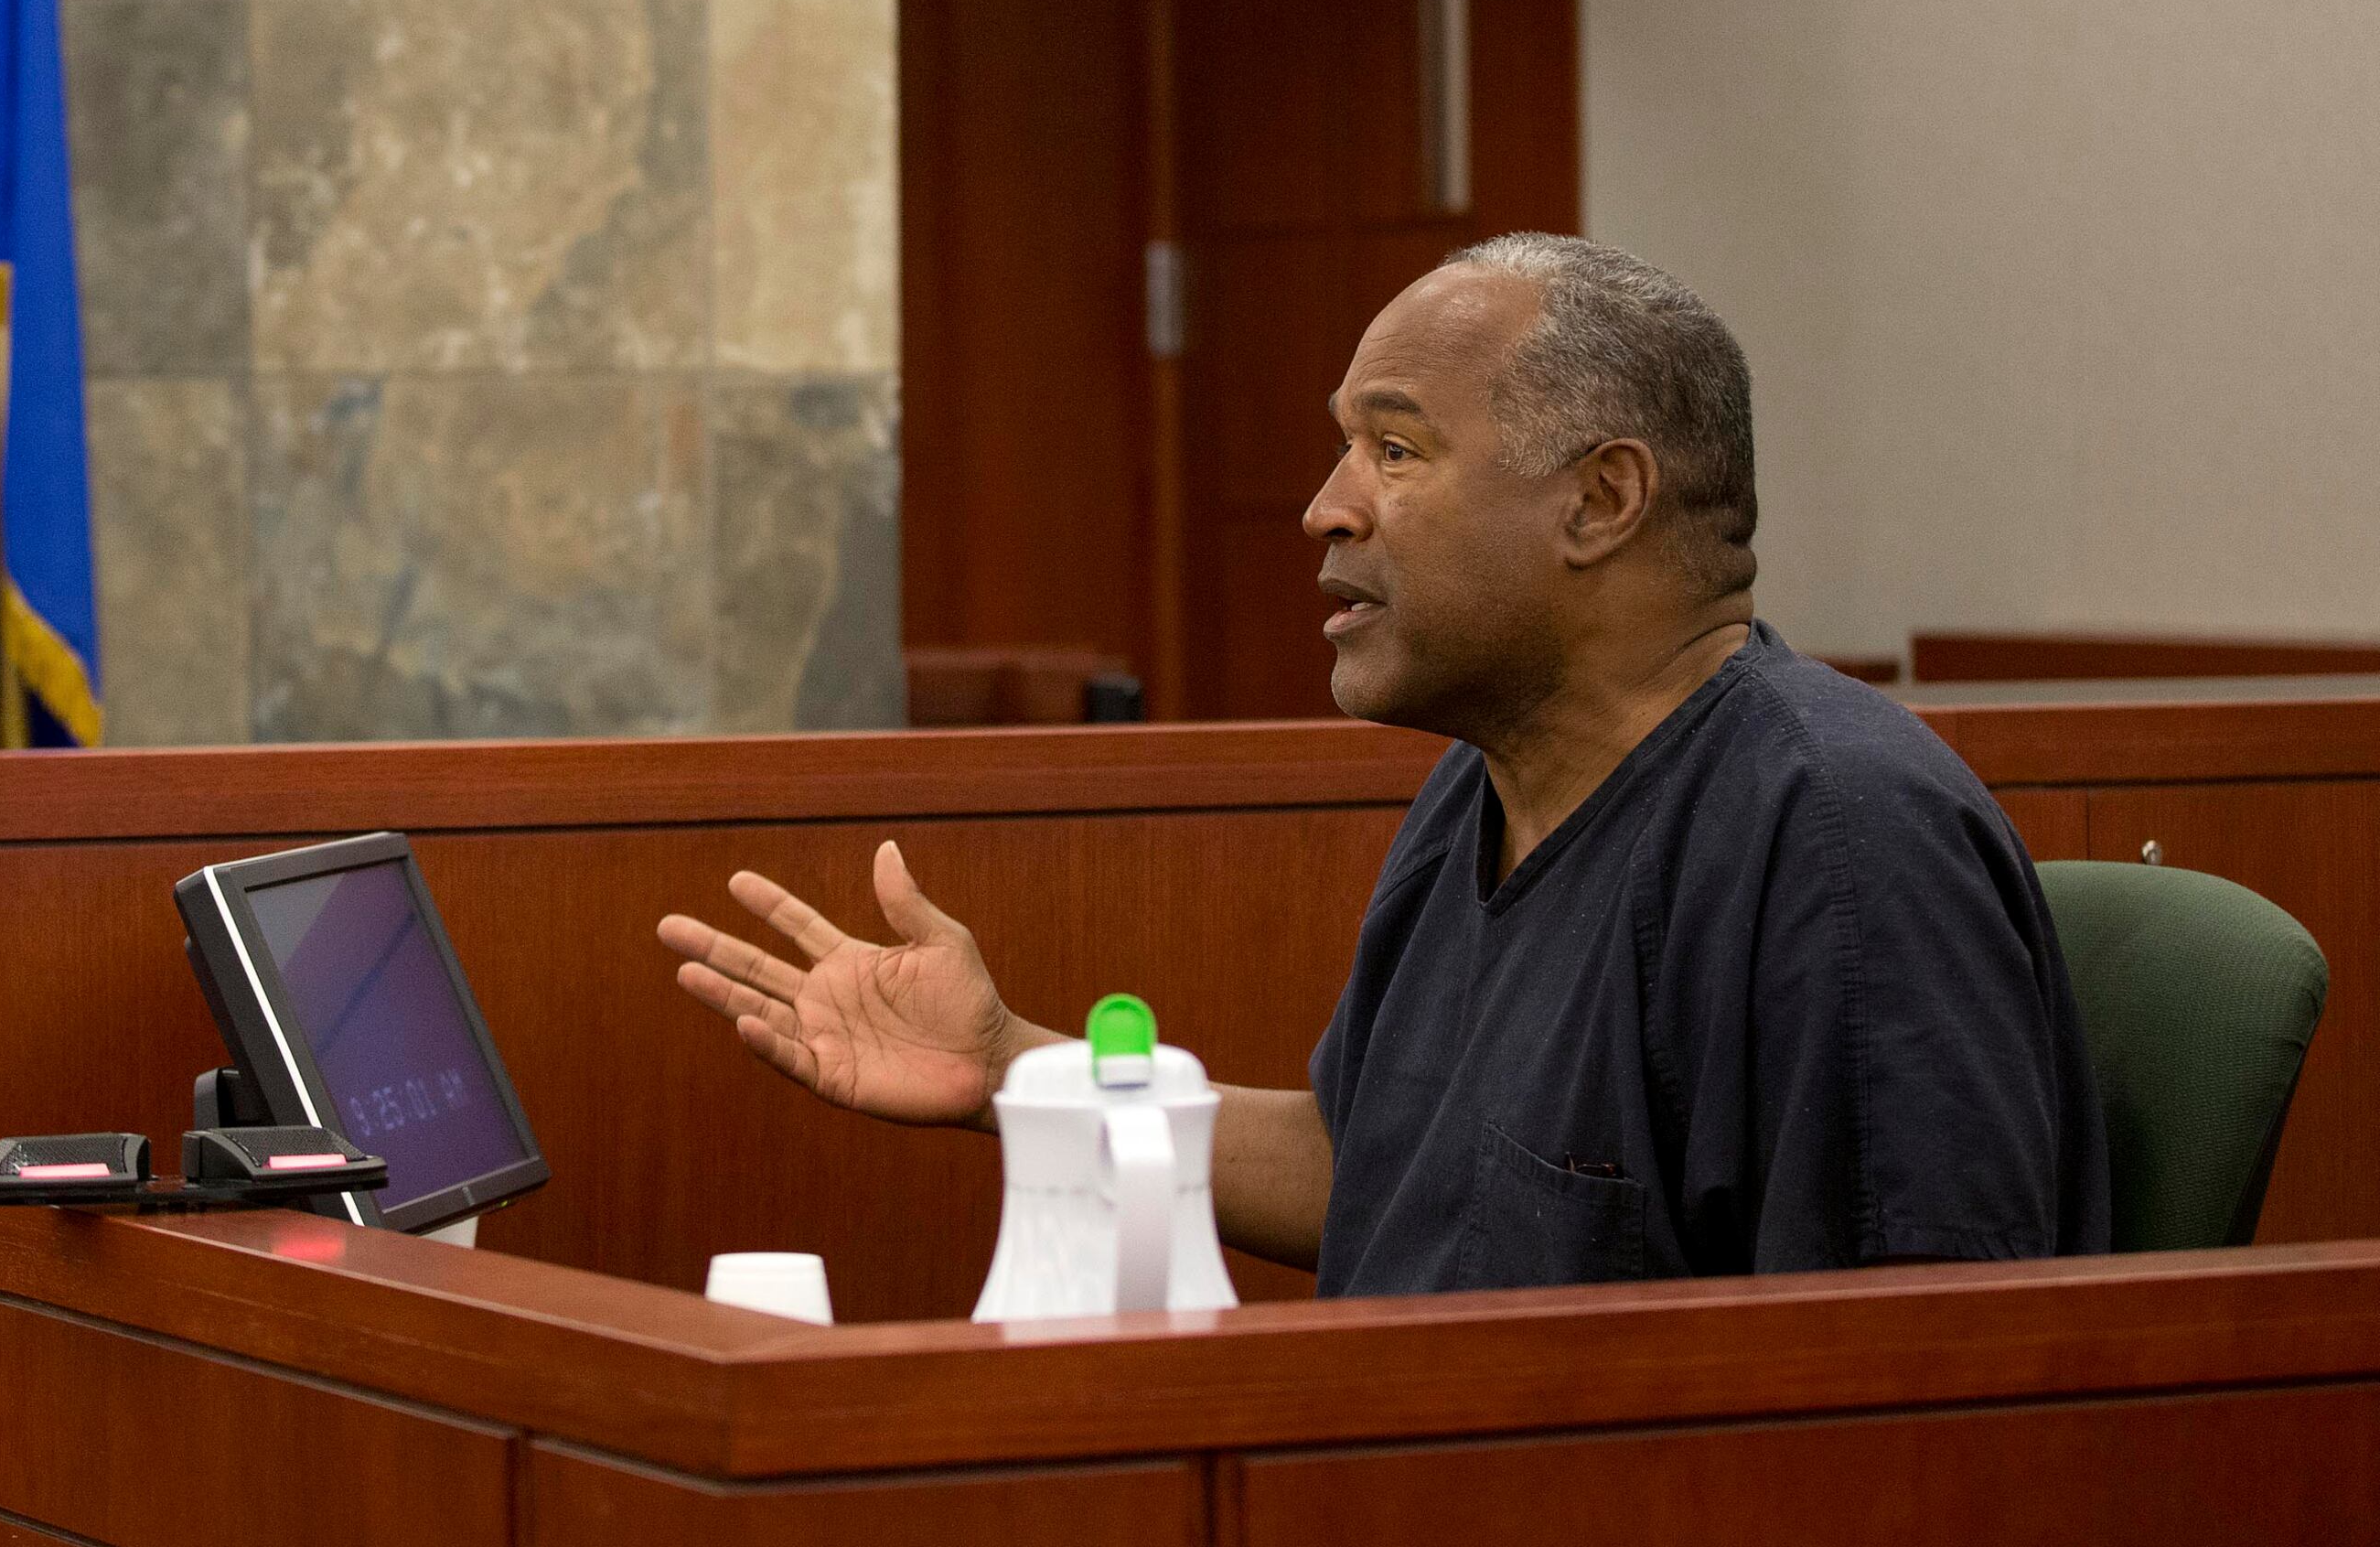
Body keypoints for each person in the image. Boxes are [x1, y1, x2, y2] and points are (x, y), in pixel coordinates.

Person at [660, 234, 2107, 1294]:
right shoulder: (1482, 789)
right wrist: (1008, 1066)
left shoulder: (1838, 840)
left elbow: (1924, 1400)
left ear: (1602, 498)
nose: (1323, 508)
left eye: (1396, 451)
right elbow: (1377, 1172)